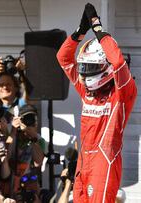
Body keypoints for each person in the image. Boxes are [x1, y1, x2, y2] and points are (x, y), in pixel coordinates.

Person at [56, 3, 137, 203]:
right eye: (83, 65)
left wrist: (98, 29)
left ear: (105, 67)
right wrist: (80, 32)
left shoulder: (122, 94)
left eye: (90, 66)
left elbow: (118, 63)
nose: (84, 72)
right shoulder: (87, 91)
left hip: (105, 161)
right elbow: (63, 58)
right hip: (84, 160)